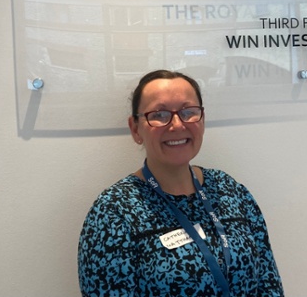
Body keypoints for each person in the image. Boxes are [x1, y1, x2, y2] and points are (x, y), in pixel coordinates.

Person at [78, 70, 284, 296]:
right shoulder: (113, 212)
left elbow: (268, 282)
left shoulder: (230, 191)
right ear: (135, 128)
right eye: (159, 114)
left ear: (202, 120)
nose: (177, 124)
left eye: (188, 112)